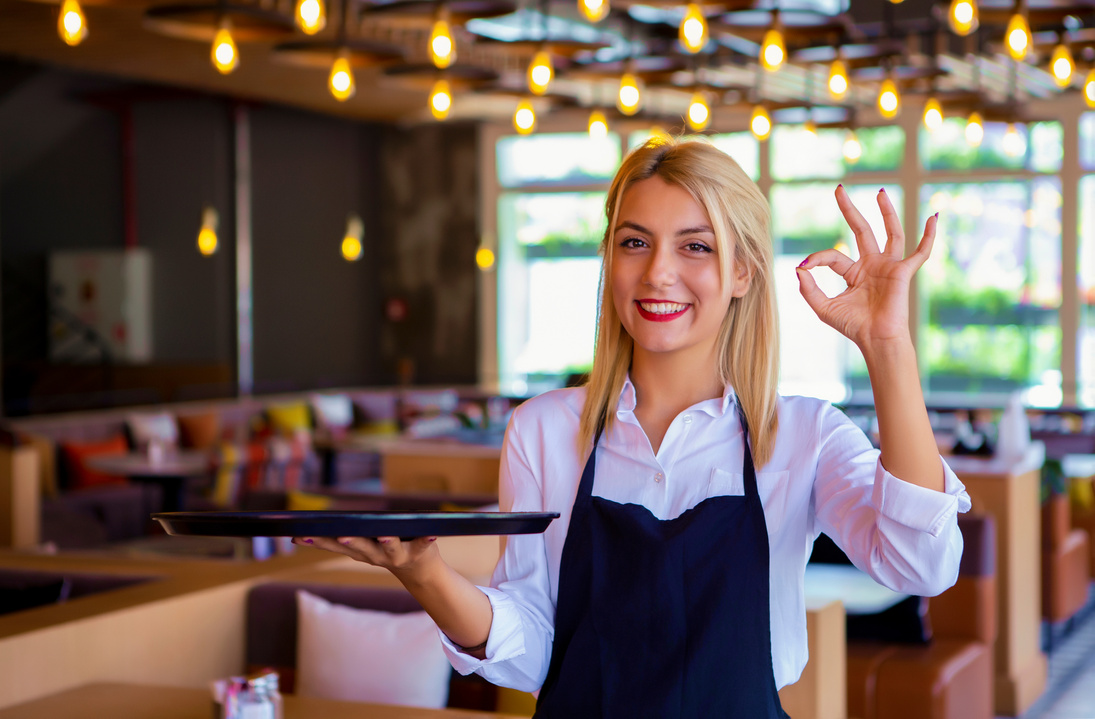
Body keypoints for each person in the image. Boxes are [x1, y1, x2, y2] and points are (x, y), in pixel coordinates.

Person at [294, 137, 971, 717]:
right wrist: (426, 576)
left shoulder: (802, 435)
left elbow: (920, 563)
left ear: (742, 273)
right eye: (634, 242)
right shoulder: (542, 431)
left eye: (695, 246)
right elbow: (534, 648)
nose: (658, 273)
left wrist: (887, 345)